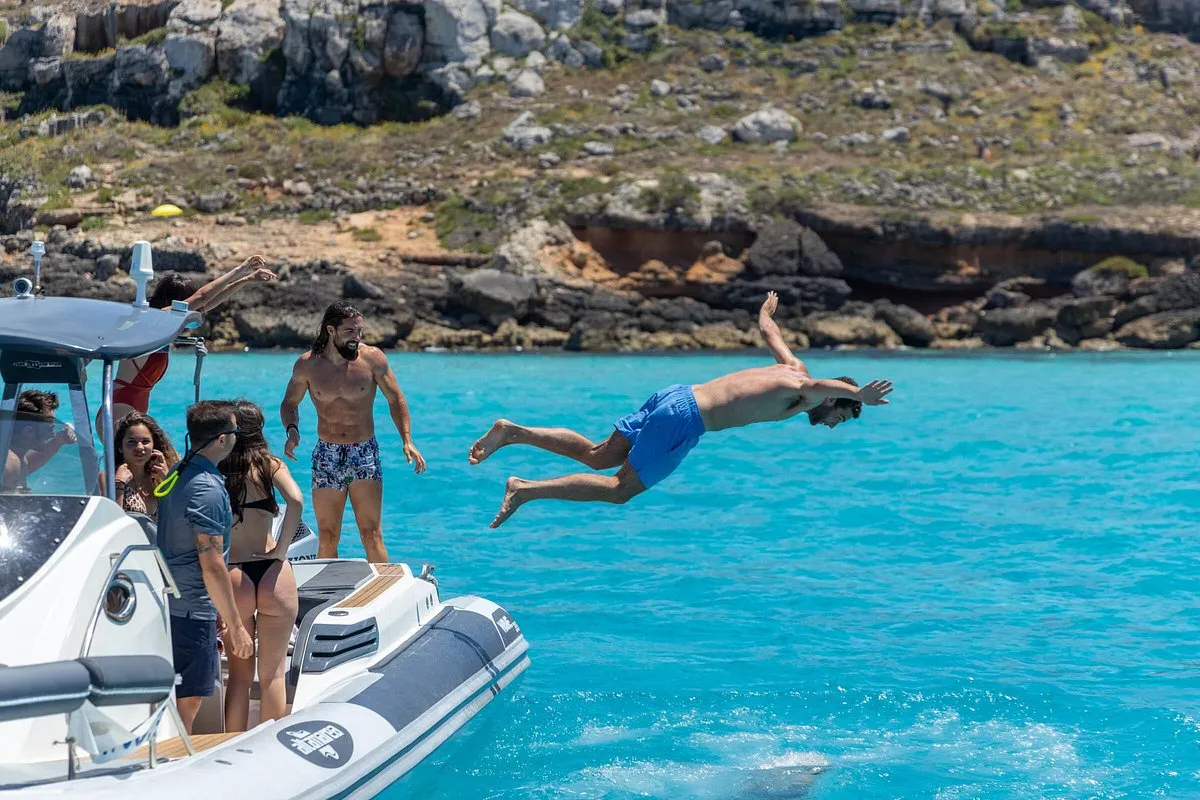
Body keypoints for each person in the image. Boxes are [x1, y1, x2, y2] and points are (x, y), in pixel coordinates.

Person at [469, 292, 895, 528]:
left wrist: (765, 311)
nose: (831, 425)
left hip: (675, 395)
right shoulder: (806, 389)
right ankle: (525, 490)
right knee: (620, 490)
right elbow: (820, 386)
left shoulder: (792, 367)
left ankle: (513, 432)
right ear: (835, 400)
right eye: (839, 416)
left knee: (599, 454)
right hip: (688, 420)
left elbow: (770, 330)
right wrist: (861, 396)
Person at [280, 301, 426, 563]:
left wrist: (407, 440)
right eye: (350, 332)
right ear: (331, 330)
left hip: (364, 452)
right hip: (327, 454)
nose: (356, 338)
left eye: (360, 332)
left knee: (370, 533)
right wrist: (292, 431)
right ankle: (325, 591)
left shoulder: (372, 359)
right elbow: (290, 403)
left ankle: (384, 591)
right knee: (327, 535)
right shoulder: (307, 365)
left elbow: (396, 399)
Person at [154, 400, 252, 734]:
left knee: (178, 694)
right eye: (235, 431)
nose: (238, 438)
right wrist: (237, 626)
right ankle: (169, 765)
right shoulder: (207, 489)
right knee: (189, 698)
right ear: (222, 439)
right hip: (191, 607)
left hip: (171, 602)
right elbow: (211, 565)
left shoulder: (181, 471)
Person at [111, 255, 278, 423]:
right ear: (177, 302)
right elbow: (202, 297)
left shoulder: (160, 329)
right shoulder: (155, 320)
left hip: (131, 408)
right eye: (190, 306)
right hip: (121, 408)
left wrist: (246, 279)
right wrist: (241, 268)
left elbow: (208, 303)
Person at [218, 400, 301, 731]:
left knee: (239, 678)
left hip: (234, 572)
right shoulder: (270, 464)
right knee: (273, 674)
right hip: (272, 573)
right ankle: (271, 751)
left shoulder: (218, 467)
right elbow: (295, 500)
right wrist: (280, 550)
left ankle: (230, 745)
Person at [2, 390, 77, 492]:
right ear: (29, 432)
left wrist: (59, 440)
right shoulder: (9, 465)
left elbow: (37, 458)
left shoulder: (17, 456)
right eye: (50, 429)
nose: (53, 434)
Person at [112, 412, 178, 519]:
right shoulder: (110, 477)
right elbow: (112, 520)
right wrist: (119, 484)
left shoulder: (157, 478)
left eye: (145, 441)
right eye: (132, 442)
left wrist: (167, 479)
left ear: (154, 446)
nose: (139, 447)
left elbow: (179, 517)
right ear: (120, 447)